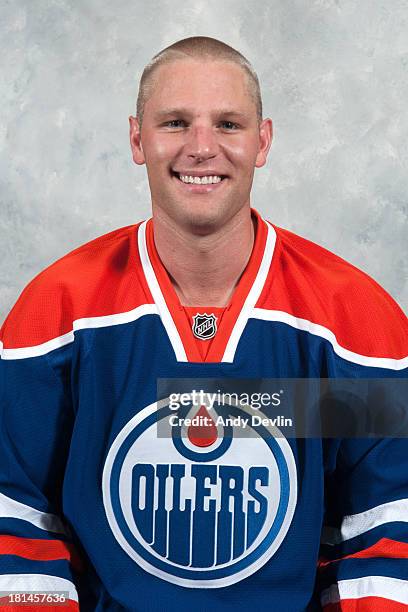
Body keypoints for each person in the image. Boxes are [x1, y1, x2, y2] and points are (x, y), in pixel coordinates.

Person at [0, 36, 407, 611]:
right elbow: (15, 511)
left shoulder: (354, 321)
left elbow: (385, 524)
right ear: (137, 139)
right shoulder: (57, 312)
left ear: (262, 141)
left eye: (228, 124)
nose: (201, 148)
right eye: (174, 122)